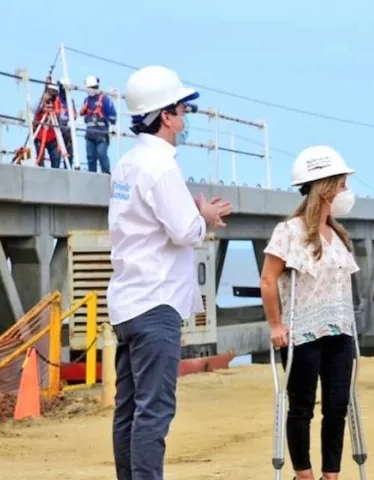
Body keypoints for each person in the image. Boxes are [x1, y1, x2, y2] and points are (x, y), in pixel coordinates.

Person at [106, 65, 233, 480]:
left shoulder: (127, 164)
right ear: (165, 115)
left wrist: (191, 213)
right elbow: (184, 231)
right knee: (155, 410)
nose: (186, 117)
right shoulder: (162, 167)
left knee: (129, 409)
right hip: (156, 302)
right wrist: (204, 215)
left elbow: (145, 221)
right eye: (183, 109)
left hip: (127, 301)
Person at [260, 145, 360, 480]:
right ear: (327, 186)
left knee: (337, 407)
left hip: (340, 333)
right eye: (343, 183)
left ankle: (331, 475)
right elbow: (268, 279)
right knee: (301, 406)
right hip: (302, 332)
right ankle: (304, 475)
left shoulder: (338, 233)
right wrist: (275, 325)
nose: (346, 190)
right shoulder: (288, 232)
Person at [80, 75, 117, 174]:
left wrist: (109, 123)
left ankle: (106, 176)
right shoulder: (86, 101)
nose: (91, 90)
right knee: (91, 157)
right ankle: (91, 178)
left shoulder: (105, 100)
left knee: (101, 154)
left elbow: (113, 116)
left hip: (101, 134)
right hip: (90, 134)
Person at [33, 84, 66, 168]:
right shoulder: (40, 101)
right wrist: (43, 102)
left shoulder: (57, 103)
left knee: (56, 159)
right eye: (51, 93)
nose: (52, 96)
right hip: (40, 135)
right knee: (39, 160)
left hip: (53, 137)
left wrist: (55, 112)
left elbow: (61, 116)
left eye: (54, 93)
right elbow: (34, 109)